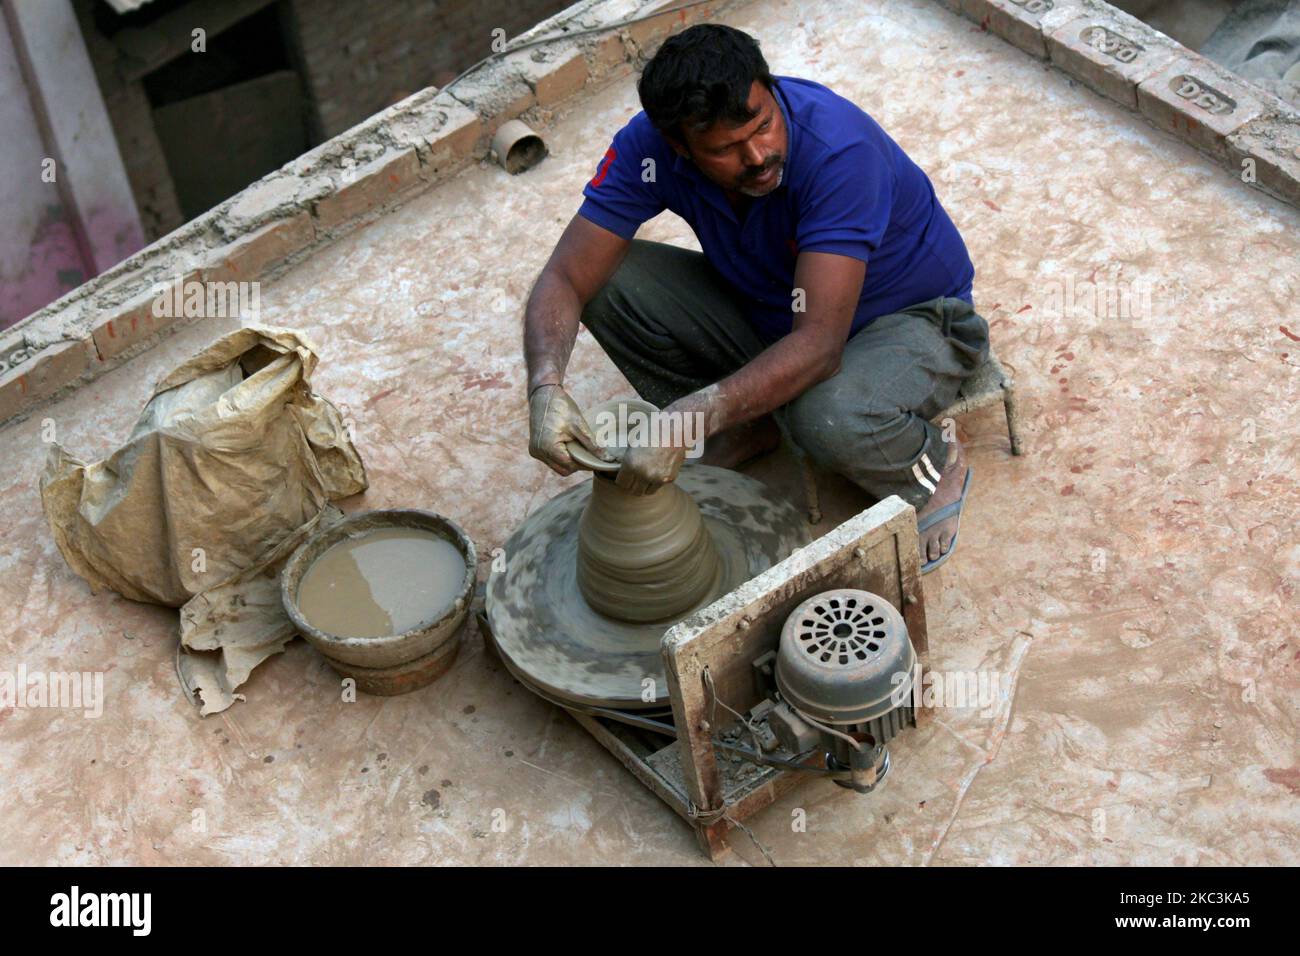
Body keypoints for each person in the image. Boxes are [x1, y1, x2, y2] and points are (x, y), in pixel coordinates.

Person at [523, 23, 988, 571]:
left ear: (768, 91)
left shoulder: (840, 152)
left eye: (763, 124)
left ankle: (933, 468)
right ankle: (751, 422)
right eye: (724, 149)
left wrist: (691, 417)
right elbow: (565, 276)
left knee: (828, 415)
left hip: (913, 318)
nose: (759, 155)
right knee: (608, 285)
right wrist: (545, 385)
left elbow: (818, 346)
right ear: (678, 145)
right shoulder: (647, 150)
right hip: (775, 304)